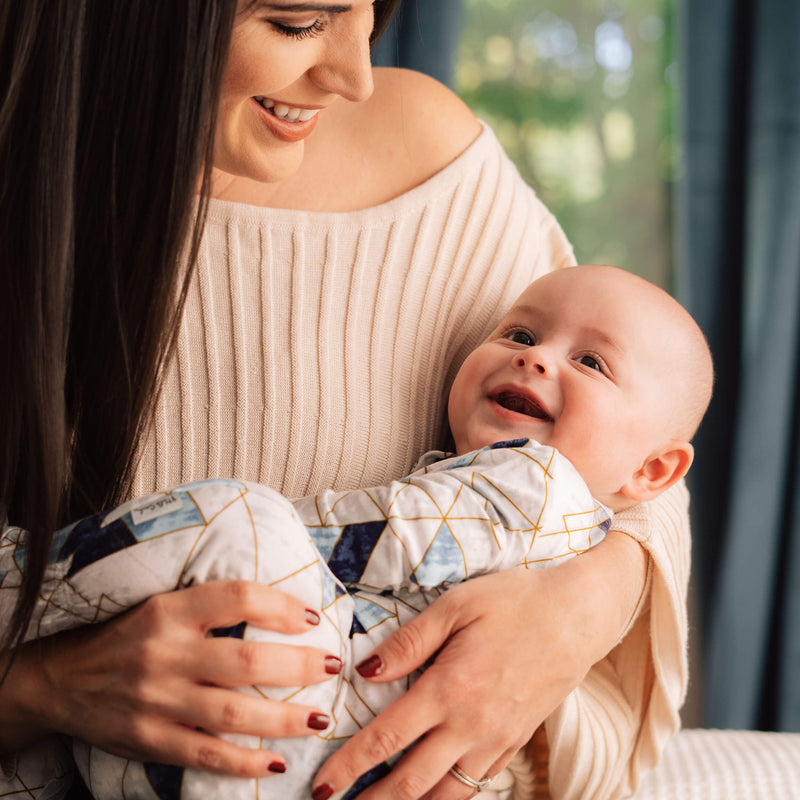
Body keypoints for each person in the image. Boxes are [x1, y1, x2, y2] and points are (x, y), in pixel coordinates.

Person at [0, 3, 698, 799]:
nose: (355, 77)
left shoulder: (430, 154)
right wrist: (41, 686)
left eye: (369, 11)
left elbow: (641, 453)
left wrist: (576, 610)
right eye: (298, 21)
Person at [0, 266, 712, 800]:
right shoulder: (541, 523)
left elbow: (377, 540)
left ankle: (18, 582)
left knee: (241, 516)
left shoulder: (537, 484)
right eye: (520, 334)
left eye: (591, 362)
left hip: (294, 717)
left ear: (653, 471)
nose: (536, 357)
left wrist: (233, 549)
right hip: (316, 764)